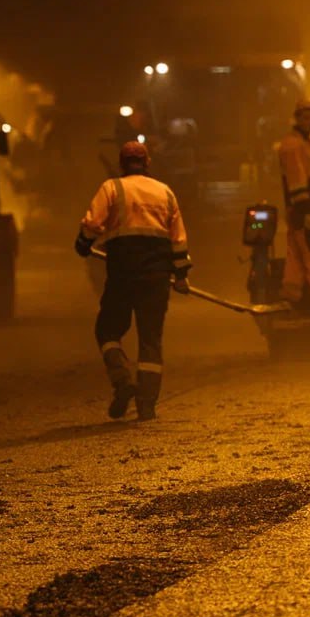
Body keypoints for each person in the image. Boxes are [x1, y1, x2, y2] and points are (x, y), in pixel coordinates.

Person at [74, 141, 191, 421]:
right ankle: (147, 404)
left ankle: (122, 380)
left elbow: (92, 224)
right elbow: (179, 239)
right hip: (157, 277)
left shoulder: (112, 188)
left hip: (123, 274)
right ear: (147, 163)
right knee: (150, 338)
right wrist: (181, 274)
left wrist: (82, 244)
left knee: (107, 330)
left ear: (122, 163)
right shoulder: (165, 192)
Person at [278, 100, 310, 304]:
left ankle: (292, 295)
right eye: (306, 118)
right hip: (305, 208)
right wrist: (307, 211)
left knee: (296, 255)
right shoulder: (294, 145)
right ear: (297, 118)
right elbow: (297, 179)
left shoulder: (305, 144)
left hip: (301, 209)